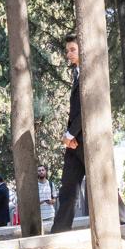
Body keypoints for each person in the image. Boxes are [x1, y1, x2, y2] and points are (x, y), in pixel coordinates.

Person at [48, 37, 86, 234]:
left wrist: (70, 134)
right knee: (68, 188)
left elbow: (86, 108)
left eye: (72, 49)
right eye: (67, 50)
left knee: (103, 188)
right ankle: (60, 231)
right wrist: (70, 137)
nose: (68, 54)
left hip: (86, 141)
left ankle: (124, 221)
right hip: (74, 142)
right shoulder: (77, 74)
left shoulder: (88, 74)